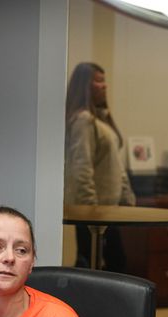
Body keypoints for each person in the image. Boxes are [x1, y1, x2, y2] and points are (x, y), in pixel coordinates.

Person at [64, 62, 136, 272]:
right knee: (103, 266)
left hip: (108, 212)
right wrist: (90, 210)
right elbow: (81, 168)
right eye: (98, 81)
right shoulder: (83, 121)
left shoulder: (100, 121)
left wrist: (127, 197)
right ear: (85, 86)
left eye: (104, 81)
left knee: (115, 265)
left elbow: (116, 165)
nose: (104, 86)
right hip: (94, 214)